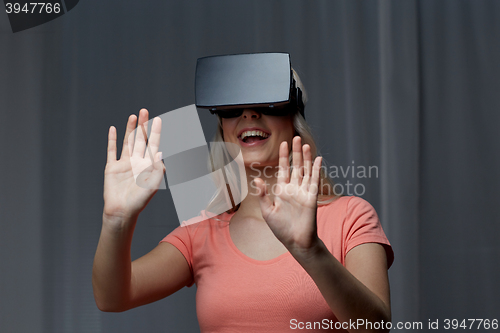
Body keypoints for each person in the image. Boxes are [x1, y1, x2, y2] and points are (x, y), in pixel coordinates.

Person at [92, 63, 394, 333]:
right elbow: (112, 297)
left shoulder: (351, 216)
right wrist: (116, 220)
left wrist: (310, 251)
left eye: (267, 102)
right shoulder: (202, 233)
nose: (249, 114)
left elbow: (375, 327)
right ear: (223, 128)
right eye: (232, 108)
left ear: (294, 119)